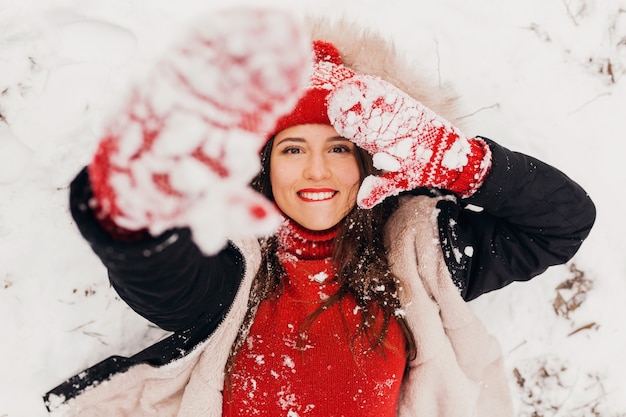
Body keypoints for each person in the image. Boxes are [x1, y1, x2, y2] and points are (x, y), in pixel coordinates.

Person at [44, 8, 595, 417]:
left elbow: (562, 224)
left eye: (338, 149)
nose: (317, 172)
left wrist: (458, 161)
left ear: (369, 162)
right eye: (292, 149)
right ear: (263, 166)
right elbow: (165, 282)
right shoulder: (234, 268)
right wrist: (131, 215)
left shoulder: (421, 262)